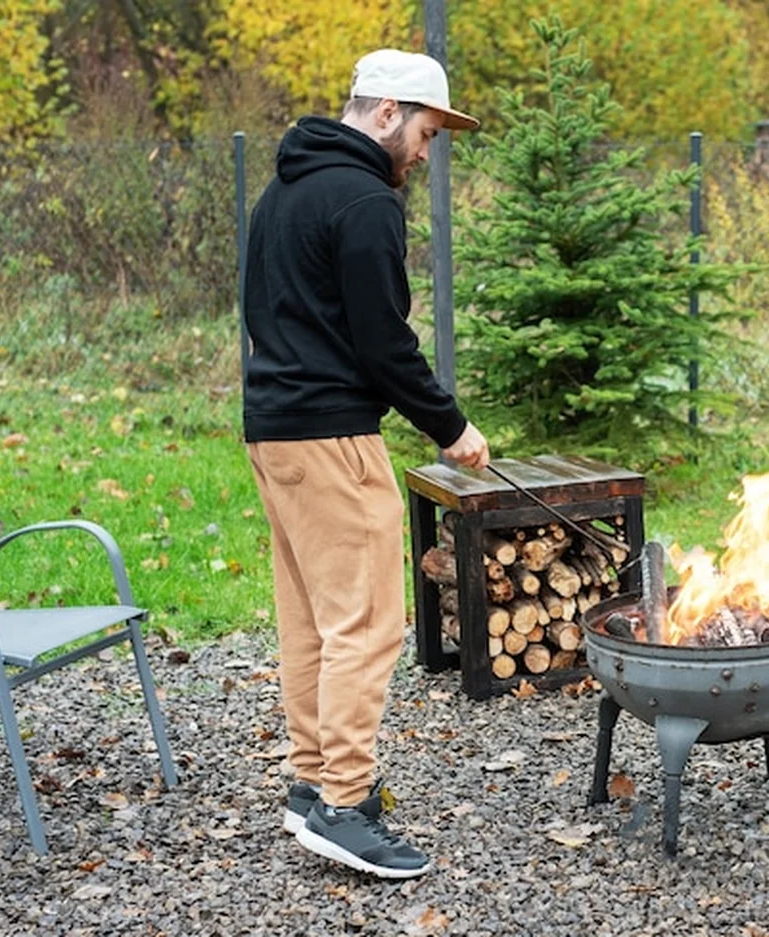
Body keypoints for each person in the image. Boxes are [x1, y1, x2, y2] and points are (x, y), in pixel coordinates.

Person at [242, 48, 489, 879]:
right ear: (387, 112)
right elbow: (384, 344)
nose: (424, 152)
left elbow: (267, 313)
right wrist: (451, 428)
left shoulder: (280, 192)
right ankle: (345, 805)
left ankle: (312, 782)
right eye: (425, 133)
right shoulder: (365, 201)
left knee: (312, 618)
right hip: (333, 437)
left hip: (272, 431)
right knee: (369, 622)